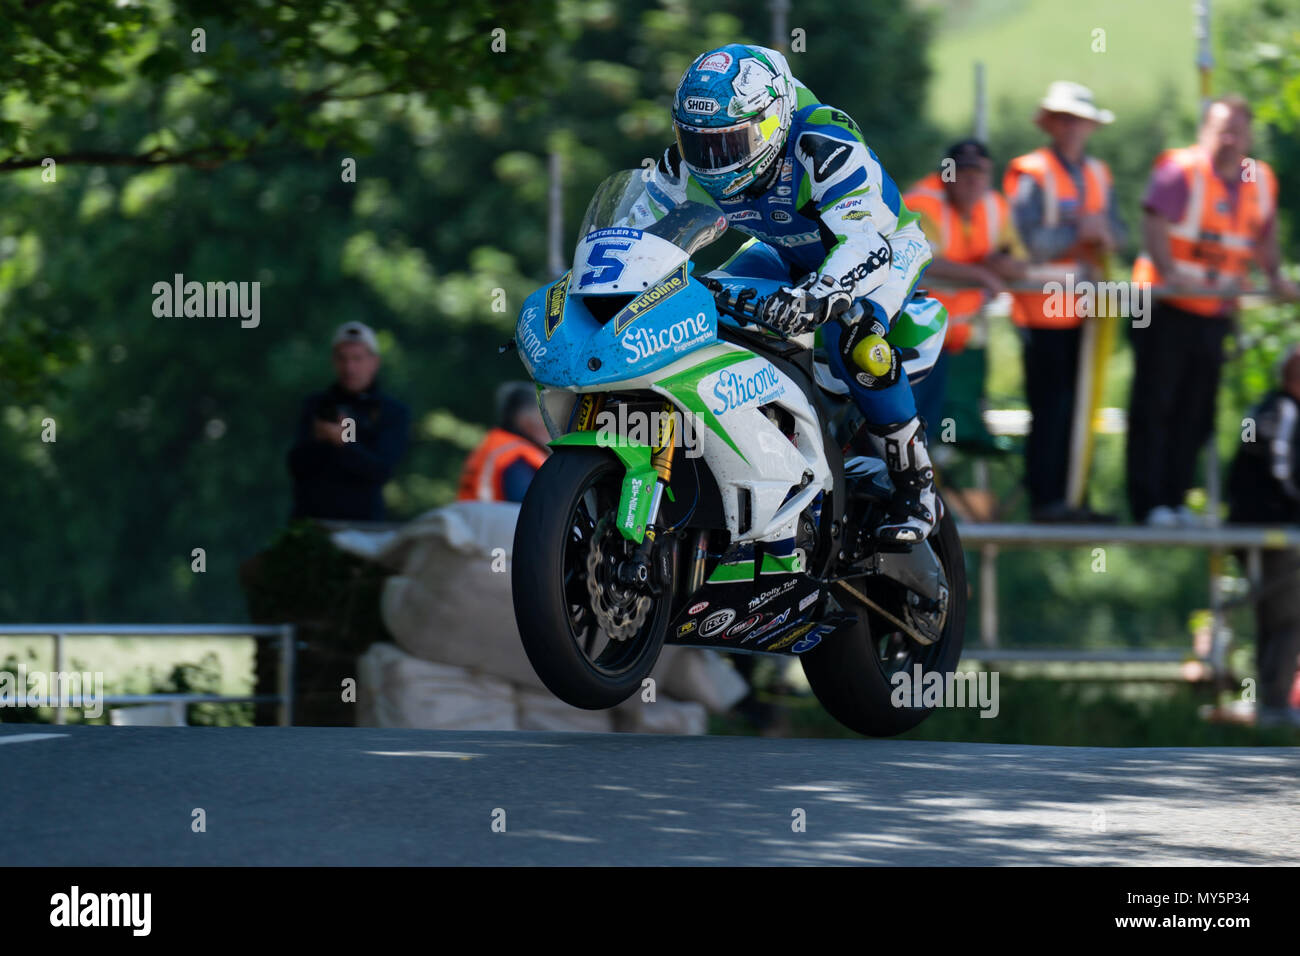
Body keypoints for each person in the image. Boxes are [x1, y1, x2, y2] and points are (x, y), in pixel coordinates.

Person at [637, 43, 946, 543]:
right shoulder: (685, 164)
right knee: (711, 315)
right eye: (700, 144)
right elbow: (640, 234)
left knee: (860, 340)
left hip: (881, 247)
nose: (714, 162)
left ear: (774, 119)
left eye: (732, 144)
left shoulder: (824, 140)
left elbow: (865, 243)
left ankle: (917, 485)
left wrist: (817, 297)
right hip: (782, 250)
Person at [1130, 95, 1300, 527]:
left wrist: (1275, 276)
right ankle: (1150, 504)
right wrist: (1169, 272)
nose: (1230, 139)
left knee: (1197, 410)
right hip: (1161, 304)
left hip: (1213, 311)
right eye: (1223, 129)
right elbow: (1153, 223)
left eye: (1238, 131)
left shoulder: (1259, 180)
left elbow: (1264, 237)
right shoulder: (1180, 170)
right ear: (1206, 129)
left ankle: (1176, 498)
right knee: (1156, 404)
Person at [1003, 81, 1126, 523]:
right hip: (1041, 310)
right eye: (1066, 119)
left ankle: (1072, 498)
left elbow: (1119, 231)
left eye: (1080, 121)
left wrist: (1104, 234)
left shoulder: (1099, 173)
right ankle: (1047, 501)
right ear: (1052, 124)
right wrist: (1082, 233)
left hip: (1085, 313)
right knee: (1049, 409)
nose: (1074, 128)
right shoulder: (1030, 173)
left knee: (1077, 409)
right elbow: (1025, 240)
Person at [903, 139, 1026, 436]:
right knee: (903, 426)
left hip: (947, 342)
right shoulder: (922, 202)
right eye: (964, 173)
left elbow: (1019, 261)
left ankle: (923, 480)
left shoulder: (994, 206)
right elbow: (923, 261)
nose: (973, 182)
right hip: (906, 337)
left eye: (980, 174)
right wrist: (982, 274)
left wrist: (1000, 263)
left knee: (929, 429)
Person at [1227, 345, 1300, 727]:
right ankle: (1274, 706)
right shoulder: (1285, 411)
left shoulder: (1267, 407)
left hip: (1251, 526)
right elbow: (1281, 468)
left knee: (1273, 616)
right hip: (1269, 529)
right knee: (1289, 618)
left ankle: (1267, 704)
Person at [288, 321, 410, 521]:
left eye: (357, 359)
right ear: (333, 361)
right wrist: (319, 441)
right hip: (312, 523)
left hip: (363, 528)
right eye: (342, 359)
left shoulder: (392, 412)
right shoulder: (317, 405)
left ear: (374, 362)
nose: (349, 368)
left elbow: (381, 471)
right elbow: (295, 466)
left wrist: (344, 443)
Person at [457, 382, 550, 503]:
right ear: (524, 419)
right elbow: (528, 508)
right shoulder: (517, 456)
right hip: (495, 520)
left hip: (475, 519)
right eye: (544, 417)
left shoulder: (496, 444)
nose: (551, 427)